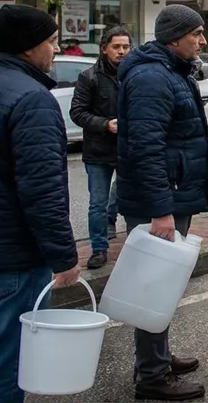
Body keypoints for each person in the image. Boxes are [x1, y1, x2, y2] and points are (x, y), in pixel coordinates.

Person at [0, 4, 81, 402]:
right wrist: (63, 255)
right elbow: (42, 189)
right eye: (52, 41)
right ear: (28, 46)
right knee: (6, 361)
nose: (56, 49)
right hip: (12, 255)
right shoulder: (32, 99)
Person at [117, 4, 208, 401]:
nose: (202, 41)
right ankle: (152, 374)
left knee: (163, 282)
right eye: (196, 34)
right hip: (160, 200)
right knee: (155, 284)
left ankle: (156, 357)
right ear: (174, 38)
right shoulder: (152, 77)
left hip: (172, 194)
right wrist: (161, 209)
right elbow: (146, 147)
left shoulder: (170, 70)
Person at [69, 26, 132, 269]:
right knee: (98, 202)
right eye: (116, 47)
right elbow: (77, 112)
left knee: (124, 195)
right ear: (105, 48)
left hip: (127, 149)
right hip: (98, 151)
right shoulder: (89, 77)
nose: (121, 51)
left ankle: (114, 225)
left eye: (126, 47)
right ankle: (98, 248)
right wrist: (105, 124)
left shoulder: (134, 74)